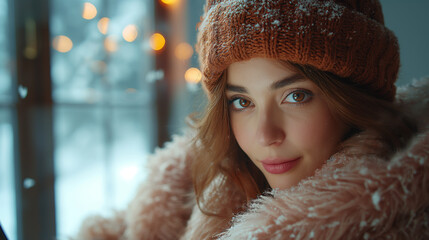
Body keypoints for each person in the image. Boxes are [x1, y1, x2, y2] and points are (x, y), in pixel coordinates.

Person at [77, 0, 429, 239]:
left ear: (352, 98)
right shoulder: (185, 185)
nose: (265, 135)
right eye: (242, 101)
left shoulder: (404, 219)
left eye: (296, 96)